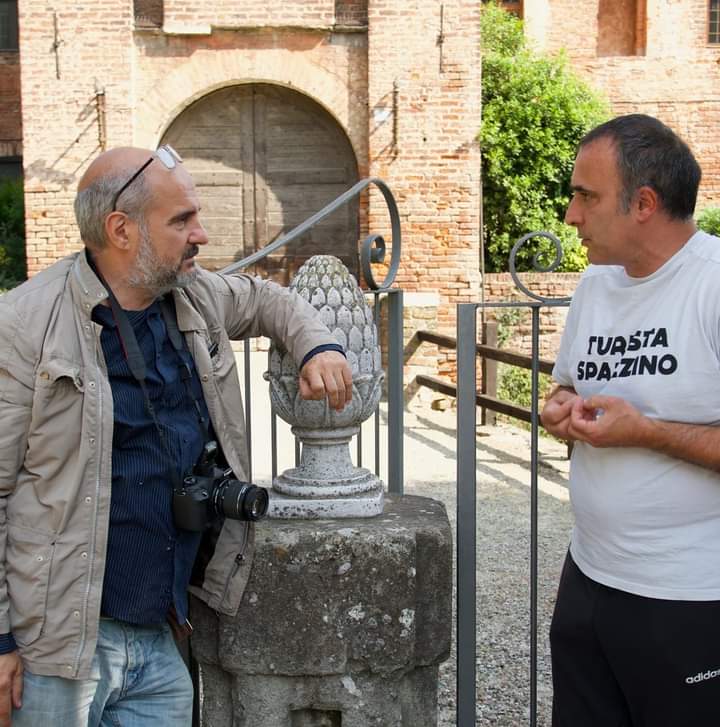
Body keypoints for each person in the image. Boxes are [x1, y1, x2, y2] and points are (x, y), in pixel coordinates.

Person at [0, 145, 353, 726]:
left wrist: (320, 346)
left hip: (161, 640)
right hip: (59, 652)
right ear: (121, 229)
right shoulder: (23, 326)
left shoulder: (193, 296)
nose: (202, 235)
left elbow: (268, 299)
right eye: (182, 220)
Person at [541, 113, 720, 727]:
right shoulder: (597, 283)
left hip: (691, 599)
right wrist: (560, 405)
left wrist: (646, 432)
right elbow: (569, 381)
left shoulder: (712, 285)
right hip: (588, 577)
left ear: (644, 203)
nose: (571, 215)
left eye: (586, 196)